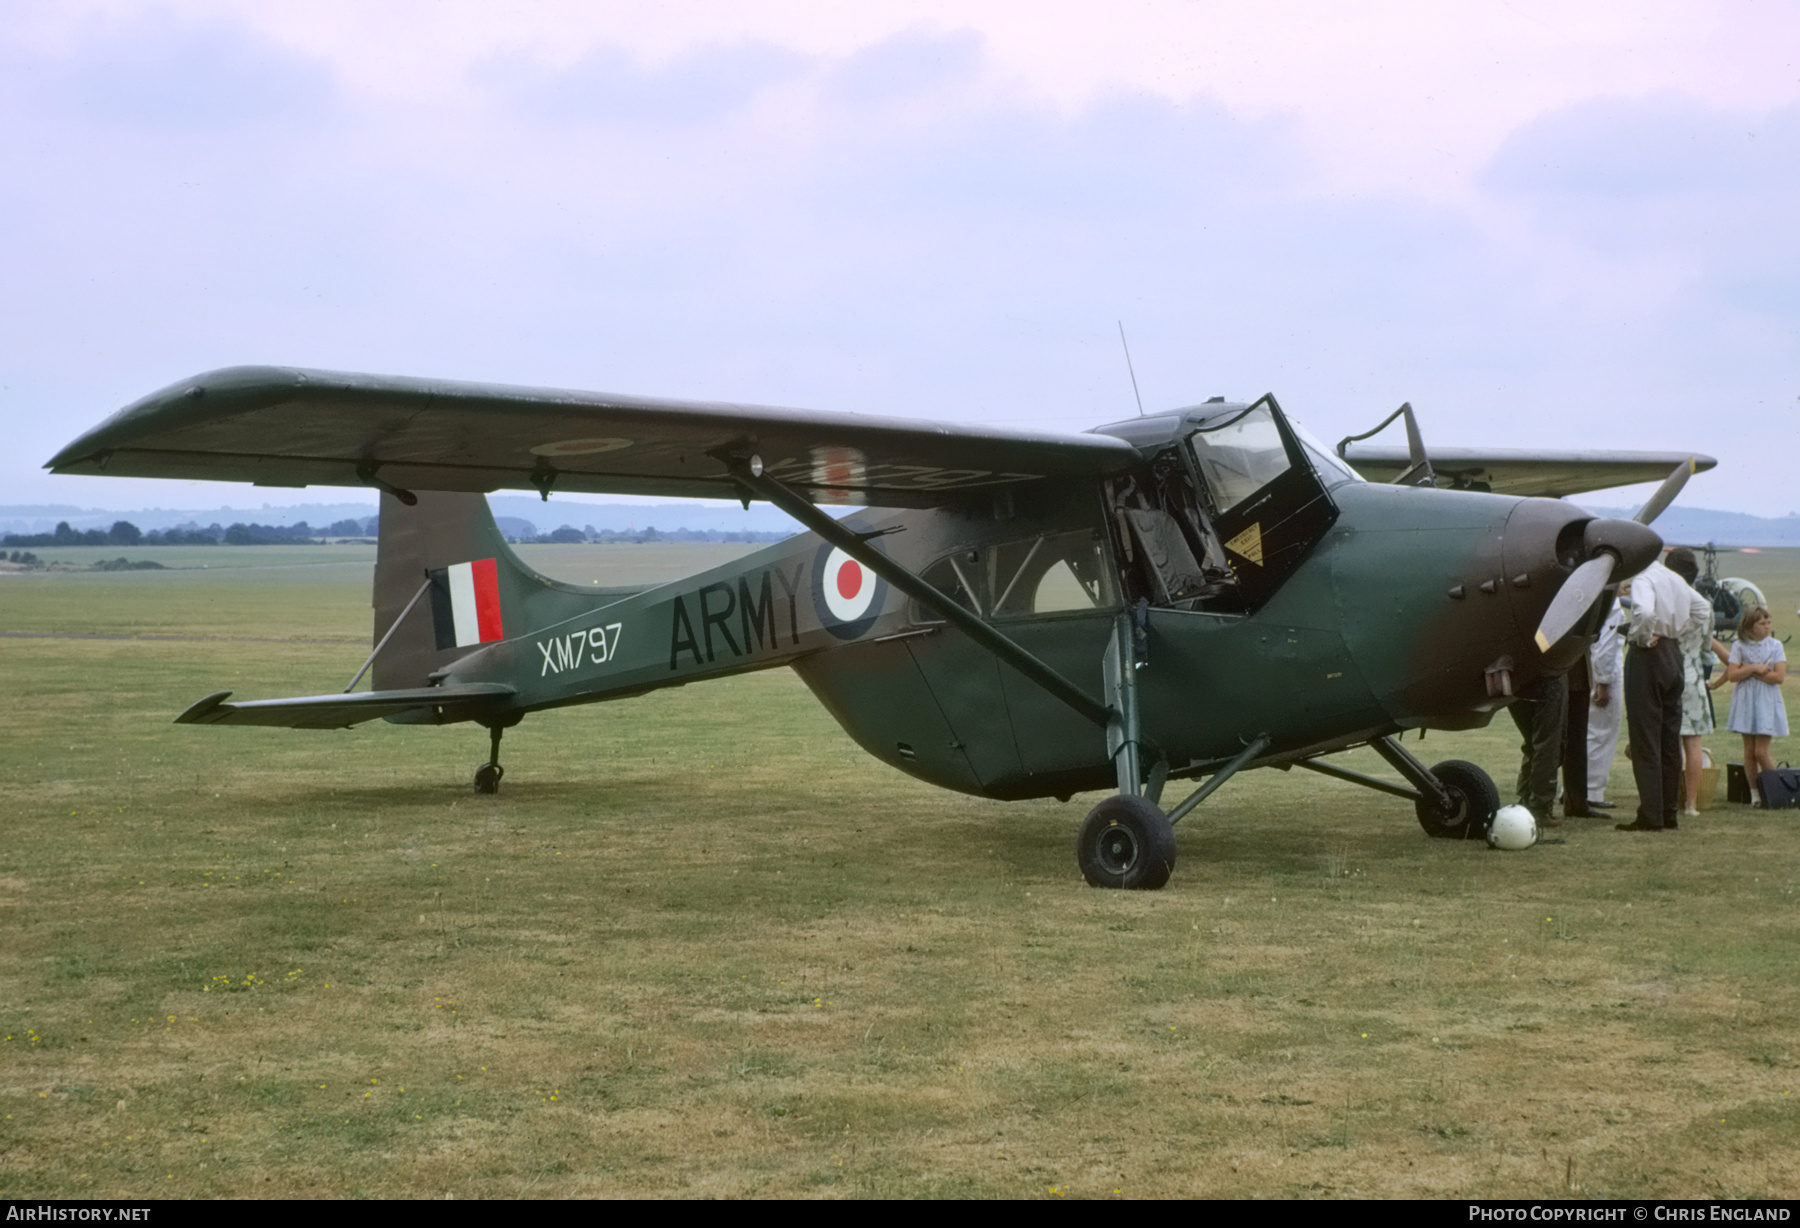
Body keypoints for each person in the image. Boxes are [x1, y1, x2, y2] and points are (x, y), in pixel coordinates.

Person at [1618, 556, 1711, 833]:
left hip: (1649, 657)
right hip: (1674, 654)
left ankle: (1650, 814)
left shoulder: (1644, 579)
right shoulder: (1674, 578)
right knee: (1669, 737)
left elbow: (1645, 613)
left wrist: (1643, 637)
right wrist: (1678, 632)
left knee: (1645, 736)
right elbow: (1702, 610)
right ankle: (1668, 811)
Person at [1663, 547, 1729, 816]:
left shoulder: (1666, 600)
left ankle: (1667, 798)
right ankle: (1691, 803)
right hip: (1693, 676)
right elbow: (1705, 645)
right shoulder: (1704, 604)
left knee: (1666, 742)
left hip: (1666, 671)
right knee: (1693, 744)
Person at [1725, 606, 1788, 806]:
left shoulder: (1775, 645)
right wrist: (1753, 668)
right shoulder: (1739, 646)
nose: (1767, 627)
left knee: (1761, 751)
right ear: (1750, 627)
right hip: (1745, 700)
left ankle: (1777, 791)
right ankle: (1755, 795)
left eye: (1768, 623)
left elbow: (1779, 677)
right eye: (1762, 624)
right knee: (1749, 750)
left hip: (1766, 700)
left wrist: (1747, 671)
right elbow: (1732, 675)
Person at [1509, 671, 1567, 827]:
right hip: (1549, 676)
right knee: (1548, 745)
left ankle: (1526, 800)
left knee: (1532, 744)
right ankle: (1539, 808)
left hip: (1514, 678)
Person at [1585, 596, 1626, 810]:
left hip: (1587, 664)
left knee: (1588, 731)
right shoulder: (1611, 601)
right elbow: (1607, 642)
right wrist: (1604, 680)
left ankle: (1576, 787)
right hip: (1604, 670)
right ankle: (1592, 790)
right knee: (1602, 731)